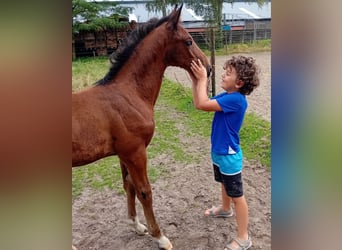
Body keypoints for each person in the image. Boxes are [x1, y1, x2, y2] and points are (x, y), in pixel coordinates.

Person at [189, 55, 260, 250]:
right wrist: (197, 80)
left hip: (229, 157)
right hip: (220, 152)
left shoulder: (236, 100)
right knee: (224, 184)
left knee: (238, 196)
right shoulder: (227, 96)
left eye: (228, 73)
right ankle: (225, 209)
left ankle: (244, 237)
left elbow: (203, 104)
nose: (222, 74)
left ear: (238, 83)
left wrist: (203, 80)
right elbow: (199, 103)